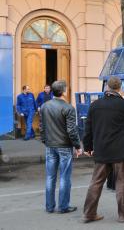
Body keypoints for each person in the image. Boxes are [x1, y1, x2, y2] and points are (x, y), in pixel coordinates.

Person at [82, 76, 124, 223]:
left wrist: (87, 147)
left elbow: (88, 128)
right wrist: (123, 99)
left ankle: (89, 214)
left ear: (107, 87)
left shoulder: (95, 105)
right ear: (120, 88)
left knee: (96, 182)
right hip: (120, 151)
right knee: (122, 182)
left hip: (102, 150)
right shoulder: (123, 104)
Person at [40, 80, 82, 214]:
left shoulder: (45, 106)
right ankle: (63, 206)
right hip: (64, 146)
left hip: (50, 145)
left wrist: (44, 140)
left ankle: (49, 206)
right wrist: (77, 145)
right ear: (63, 91)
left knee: (50, 177)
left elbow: (42, 126)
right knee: (64, 177)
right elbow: (71, 130)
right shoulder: (68, 108)